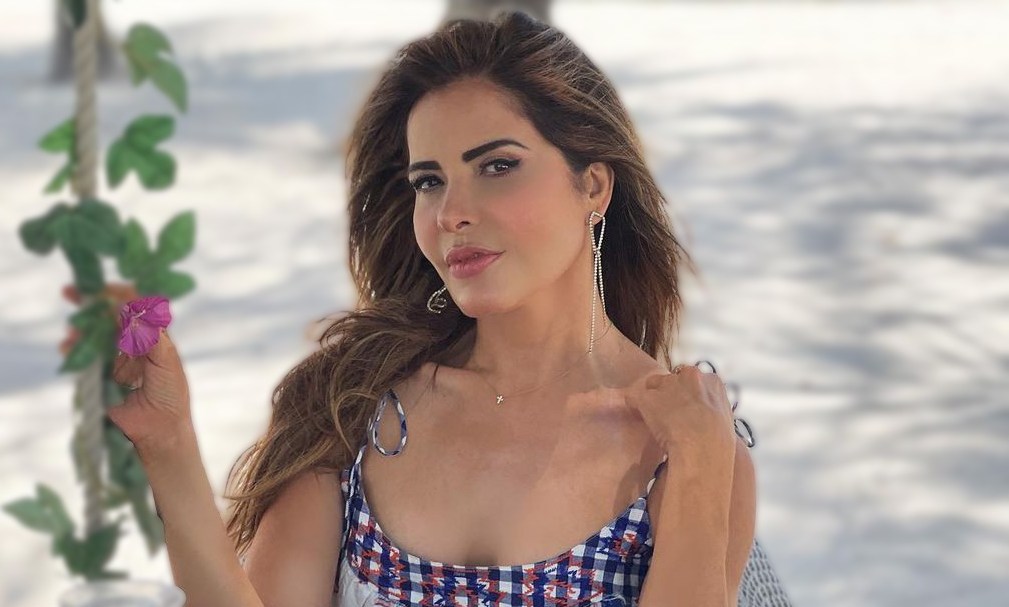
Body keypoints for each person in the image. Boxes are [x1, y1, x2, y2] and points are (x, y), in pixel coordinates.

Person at [87, 10, 756, 607]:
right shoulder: (353, 405)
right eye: (429, 181)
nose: (450, 213)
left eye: (497, 166)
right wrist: (167, 445)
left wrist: (702, 472)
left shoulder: (683, 447)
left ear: (594, 185)